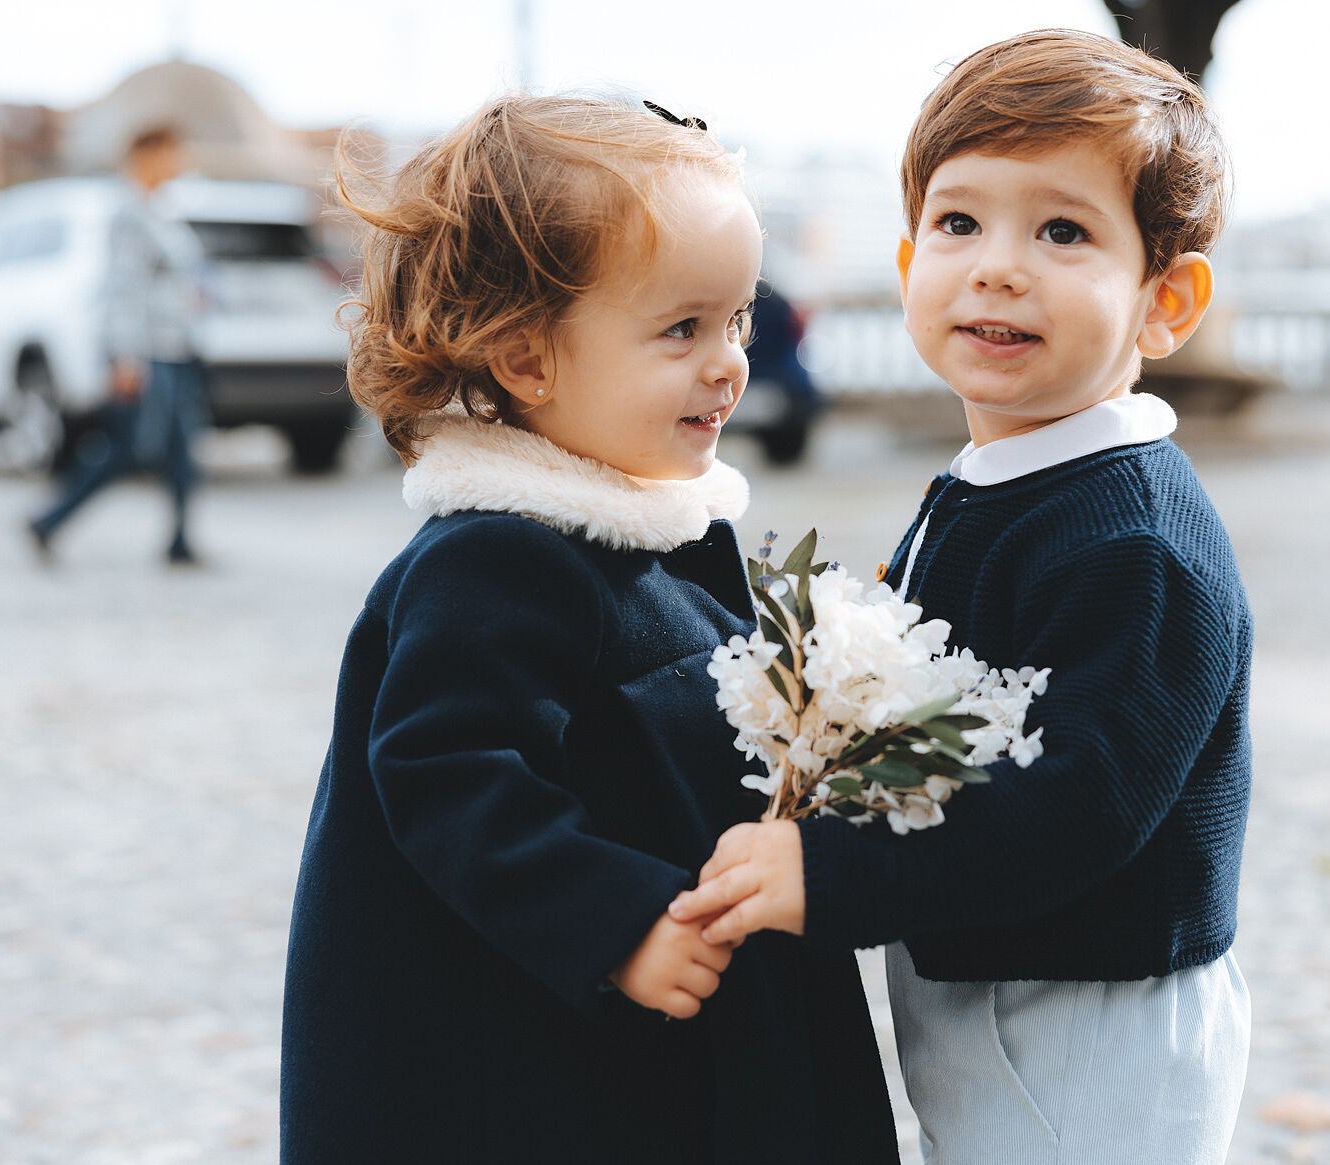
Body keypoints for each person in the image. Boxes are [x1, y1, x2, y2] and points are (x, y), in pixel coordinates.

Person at [279, 95, 898, 1164]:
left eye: (738, 319)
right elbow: (449, 774)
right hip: (539, 1074)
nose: (728, 362)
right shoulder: (495, 558)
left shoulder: (650, 535)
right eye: (681, 329)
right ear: (525, 359)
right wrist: (617, 922)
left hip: (669, 1044)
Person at [670, 29, 1253, 1165]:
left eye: (1064, 231)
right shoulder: (1006, 477)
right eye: (958, 222)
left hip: (1093, 1004)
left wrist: (831, 875)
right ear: (905, 270)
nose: (996, 265)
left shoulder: (1132, 537)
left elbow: (1077, 808)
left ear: (1165, 301)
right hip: (1002, 968)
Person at [28, 125, 208, 565]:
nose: (178, 164)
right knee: (129, 446)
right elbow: (123, 290)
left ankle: (181, 542)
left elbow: (184, 278)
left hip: (179, 349)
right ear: (147, 156)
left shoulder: (164, 213)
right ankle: (50, 519)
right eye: (171, 154)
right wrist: (126, 357)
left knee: (184, 447)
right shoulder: (129, 216)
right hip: (147, 354)